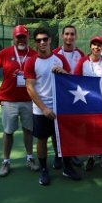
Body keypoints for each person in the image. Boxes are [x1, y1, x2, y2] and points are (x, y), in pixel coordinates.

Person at [0, 24, 39, 177]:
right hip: (9, 100)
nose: (21, 39)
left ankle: (30, 158)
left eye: (23, 37)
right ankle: (6, 161)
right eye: (18, 37)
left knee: (28, 130)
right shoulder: (5, 53)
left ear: (27, 38)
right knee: (8, 132)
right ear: (13, 38)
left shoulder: (34, 54)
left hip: (28, 99)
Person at [24, 27, 82, 185]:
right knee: (41, 140)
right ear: (35, 43)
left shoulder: (59, 59)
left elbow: (70, 82)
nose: (42, 42)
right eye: (38, 40)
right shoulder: (31, 62)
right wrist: (43, 108)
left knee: (65, 138)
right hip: (41, 109)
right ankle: (44, 170)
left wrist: (64, 72)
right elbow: (30, 88)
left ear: (50, 40)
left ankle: (67, 168)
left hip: (61, 107)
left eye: (45, 39)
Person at [74, 36, 102, 173]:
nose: (96, 47)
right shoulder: (83, 61)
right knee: (89, 129)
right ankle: (91, 156)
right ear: (90, 46)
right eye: (94, 45)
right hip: (86, 101)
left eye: (99, 45)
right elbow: (75, 79)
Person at [52, 25, 84, 168]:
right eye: (66, 34)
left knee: (73, 127)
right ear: (62, 36)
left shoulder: (81, 54)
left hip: (76, 96)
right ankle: (58, 155)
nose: (69, 37)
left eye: (72, 34)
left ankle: (73, 154)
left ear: (75, 36)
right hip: (59, 96)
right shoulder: (54, 53)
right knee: (57, 127)